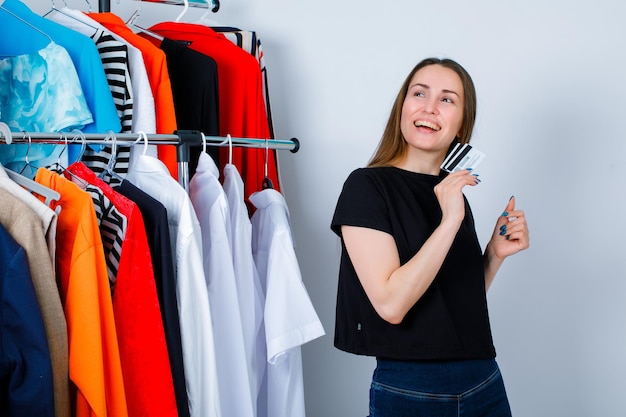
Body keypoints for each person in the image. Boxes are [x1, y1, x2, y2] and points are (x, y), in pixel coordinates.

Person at [330, 57, 529, 417]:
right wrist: (450, 220)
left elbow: (450, 300)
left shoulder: (454, 195)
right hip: (410, 388)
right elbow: (392, 305)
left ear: (461, 124)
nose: (429, 108)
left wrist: (493, 255)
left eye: (447, 99)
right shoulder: (366, 186)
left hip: (484, 379)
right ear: (403, 107)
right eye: (419, 93)